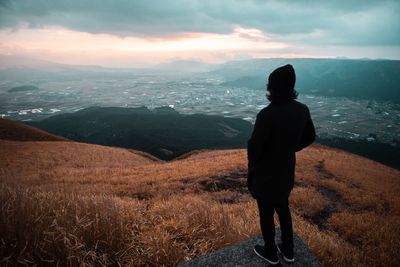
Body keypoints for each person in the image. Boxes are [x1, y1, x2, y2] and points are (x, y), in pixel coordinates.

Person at [247, 64, 315, 265]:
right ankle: (288, 250)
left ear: (273, 88)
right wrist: (292, 148)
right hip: (285, 170)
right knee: (283, 207)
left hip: (265, 174)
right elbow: (310, 136)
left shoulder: (267, 115)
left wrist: (255, 163)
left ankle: (270, 252)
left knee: (266, 213)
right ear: (291, 86)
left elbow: (254, 149)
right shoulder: (302, 110)